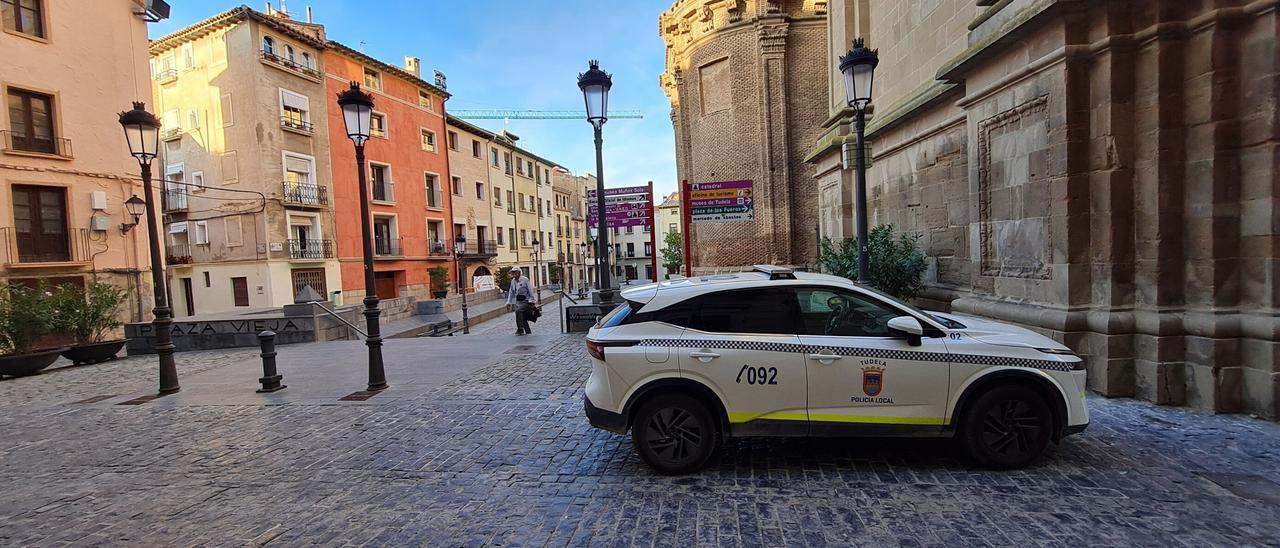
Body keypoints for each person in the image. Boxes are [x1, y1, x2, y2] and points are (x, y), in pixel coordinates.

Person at [506, 268, 534, 335]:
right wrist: (508, 302)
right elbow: (511, 292)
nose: (514, 274)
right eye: (513, 272)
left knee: (518, 311)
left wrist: (531, 300)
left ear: (519, 273)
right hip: (518, 301)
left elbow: (530, 290)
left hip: (525, 300)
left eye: (515, 272)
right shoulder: (513, 281)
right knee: (523, 318)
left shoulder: (525, 279)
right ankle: (528, 332)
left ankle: (520, 329)